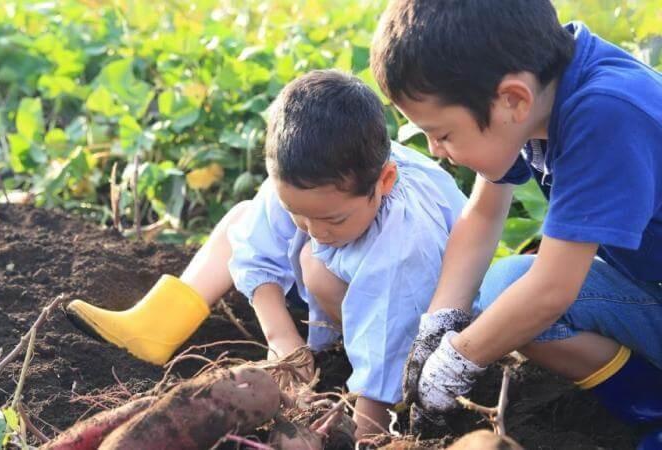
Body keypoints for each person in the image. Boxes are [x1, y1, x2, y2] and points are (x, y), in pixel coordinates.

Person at [65, 69, 467, 437]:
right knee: (245, 218)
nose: (316, 231)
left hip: (417, 320)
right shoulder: (309, 177)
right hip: (346, 287)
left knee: (315, 263)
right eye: (300, 216)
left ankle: (338, 350)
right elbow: (256, 250)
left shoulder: (405, 239)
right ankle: (155, 328)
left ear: (385, 181)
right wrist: (283, 341)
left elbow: (391, 333)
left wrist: (369, 429)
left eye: (333, 220)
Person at [369, 0, 662, 447]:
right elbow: (483, 215)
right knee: (505, 289)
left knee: (526, 305)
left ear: (512, 99)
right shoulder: (538, 88)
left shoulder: (607, 114)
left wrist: (457, 362)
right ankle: (651, 402)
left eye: (442, 134)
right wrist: (440, 323)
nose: (434, 149)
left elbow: (551, 290)